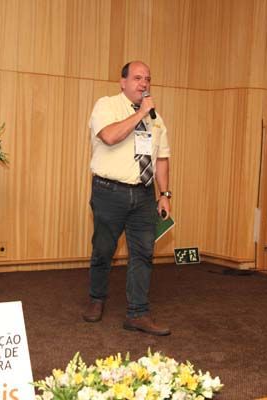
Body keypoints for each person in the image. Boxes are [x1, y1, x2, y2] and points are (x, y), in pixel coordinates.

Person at [83, 61, 172, 336]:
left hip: (144, 195)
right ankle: (96, 299)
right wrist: (141, 113)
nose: (144, 84)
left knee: (143, 253)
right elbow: (110, 136)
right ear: (123, 82)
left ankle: (138, 313)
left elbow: (162, 158)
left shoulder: (156, 119)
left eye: (147, 79)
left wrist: (164, 194)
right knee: (103, 250)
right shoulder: (107, 106)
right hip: (109, 191)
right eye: (137, 78)